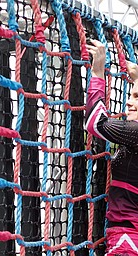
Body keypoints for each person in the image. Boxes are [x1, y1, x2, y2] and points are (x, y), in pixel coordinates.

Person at [85, 39, 138, 255]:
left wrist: (97, 72)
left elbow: (95, 123)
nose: (128, 102)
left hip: (128, 243)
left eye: (136, 97)